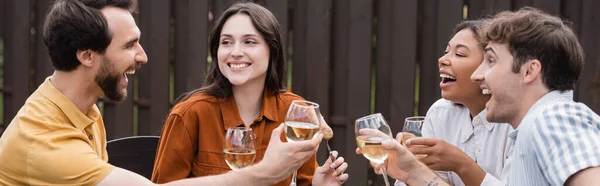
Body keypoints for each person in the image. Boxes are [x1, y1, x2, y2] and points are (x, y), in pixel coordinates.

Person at [0, 0, 324, 185]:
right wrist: (268, 171)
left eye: (250, 41)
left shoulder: (82, 110)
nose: (142, 56)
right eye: (129, 45)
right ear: (87, 56)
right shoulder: (44, 141)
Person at [365, 7, 600, 186]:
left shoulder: (554, 117)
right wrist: (413, 173)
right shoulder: (528, 129)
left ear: (529, 71)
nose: (479, 75)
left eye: (491, 61)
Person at [151, 2, 348, 186]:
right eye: (226, 42)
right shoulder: (189, 114)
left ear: (272, 51)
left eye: (249, 42)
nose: (235, 51)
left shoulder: (296, 113)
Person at [395, 19, 512, 186]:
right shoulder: (440, 113)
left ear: (490, 65)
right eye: (446, 51)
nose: (442, 60)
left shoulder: (516, 120)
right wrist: (410, 167)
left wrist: (461, 164)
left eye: (460, 54)